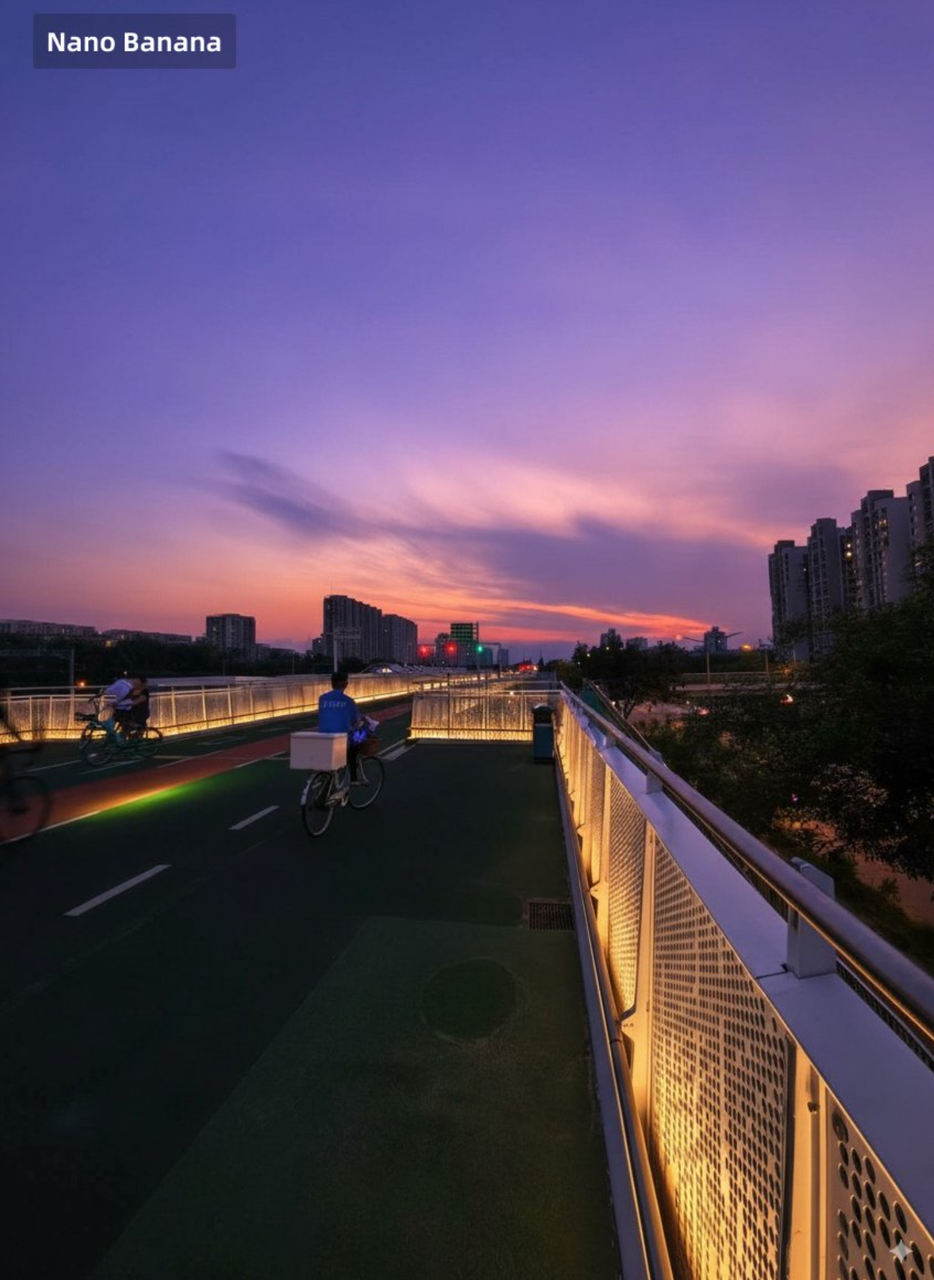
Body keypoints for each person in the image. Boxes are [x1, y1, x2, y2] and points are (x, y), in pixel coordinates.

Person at [317, 671, 363, 783]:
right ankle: (353, 778)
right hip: (341, 739)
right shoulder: (349, 701)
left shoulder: (322, 698)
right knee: (356, 743)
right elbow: (355, 721)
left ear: (332, 683)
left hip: (323, 738)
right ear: (346, 684)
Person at [101, 675, 139, 739]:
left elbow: (112, 694)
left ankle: (118, 738)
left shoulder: (120, 686)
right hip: (126, 708)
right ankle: (122, 737)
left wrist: (111, 703)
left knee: (114, 721)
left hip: (122, 708)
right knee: (125, 724)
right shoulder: (126, 686)